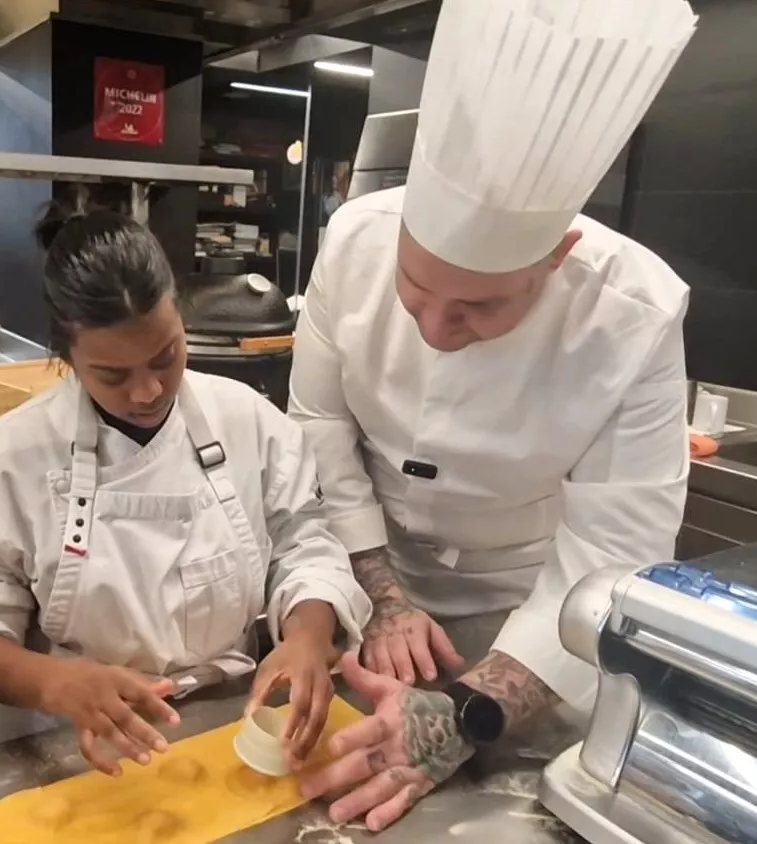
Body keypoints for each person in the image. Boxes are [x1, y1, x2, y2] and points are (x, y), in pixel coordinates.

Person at [288, 0, 701, 831]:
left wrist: (464, 715)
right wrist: (385, 595)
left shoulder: (634, 314)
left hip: (535, 612)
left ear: (556, 256)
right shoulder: (353, 241)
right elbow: (318, 435)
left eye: (477, 308)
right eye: (414, 291)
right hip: (365, 594)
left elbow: (615, 554)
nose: (436, 333)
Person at [0, 203, 371, 776]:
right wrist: (54, 681)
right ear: (66, 356)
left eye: (166, 356)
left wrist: (307, 638)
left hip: (227, 731)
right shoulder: (12, 458)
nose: (147, 390)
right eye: (112, 374)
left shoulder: (246, 421)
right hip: (73, 751)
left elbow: (303, 544)